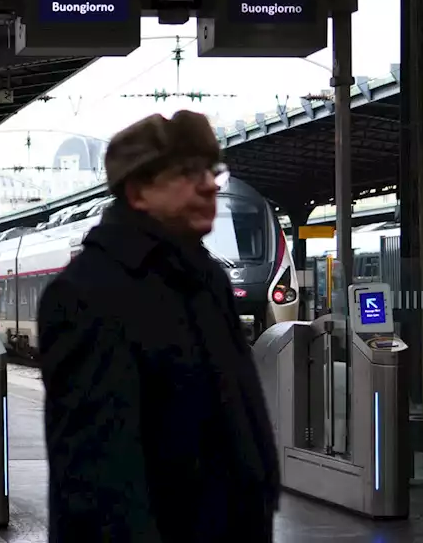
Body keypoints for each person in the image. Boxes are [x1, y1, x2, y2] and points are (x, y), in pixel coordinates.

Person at [38, 111, 280, 542]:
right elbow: (98, 477)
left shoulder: (205, 278)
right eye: (187, 173)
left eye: (212, 170)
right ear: (138, 190)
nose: (209, 185)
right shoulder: (86, 293)